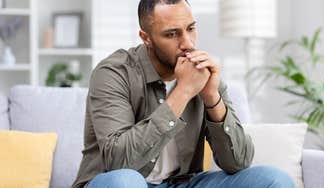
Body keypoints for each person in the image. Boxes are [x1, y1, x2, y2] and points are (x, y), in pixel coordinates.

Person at [72, 0, 295, 188]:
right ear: (146, 37)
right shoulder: (113, 72)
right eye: (172, 34)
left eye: (191, 28)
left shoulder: (202, 73)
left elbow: (238, 163)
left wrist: (211, 97)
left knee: (274, 180)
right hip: (120, 182)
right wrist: (184, 91)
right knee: (125, 181)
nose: (187, 43)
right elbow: (120, 161)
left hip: (184, 183)